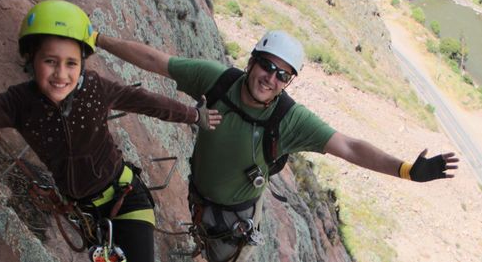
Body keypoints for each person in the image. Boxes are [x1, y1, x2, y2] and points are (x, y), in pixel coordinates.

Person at [0, 0, 221, 262]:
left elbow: (142, 100)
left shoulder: (96, 89)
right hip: (83, 212)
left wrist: (193, 115)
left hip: (125, 200)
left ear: (83, 64)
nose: (61, 74)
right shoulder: (20, 102)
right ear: (31, 59)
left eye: (71, 63)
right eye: (50, 61)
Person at [94, 30, 460, 261]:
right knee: (204, 236)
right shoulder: (217, 81)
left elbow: (348, 146)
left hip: (234, 217)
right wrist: (96, 40)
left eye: (282, 74)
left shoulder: (290, 121)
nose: (270, 77)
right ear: (252, 61)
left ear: (288, 83)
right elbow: (155, 61)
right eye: (266, 65)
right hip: (201, 195)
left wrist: (405, 170)